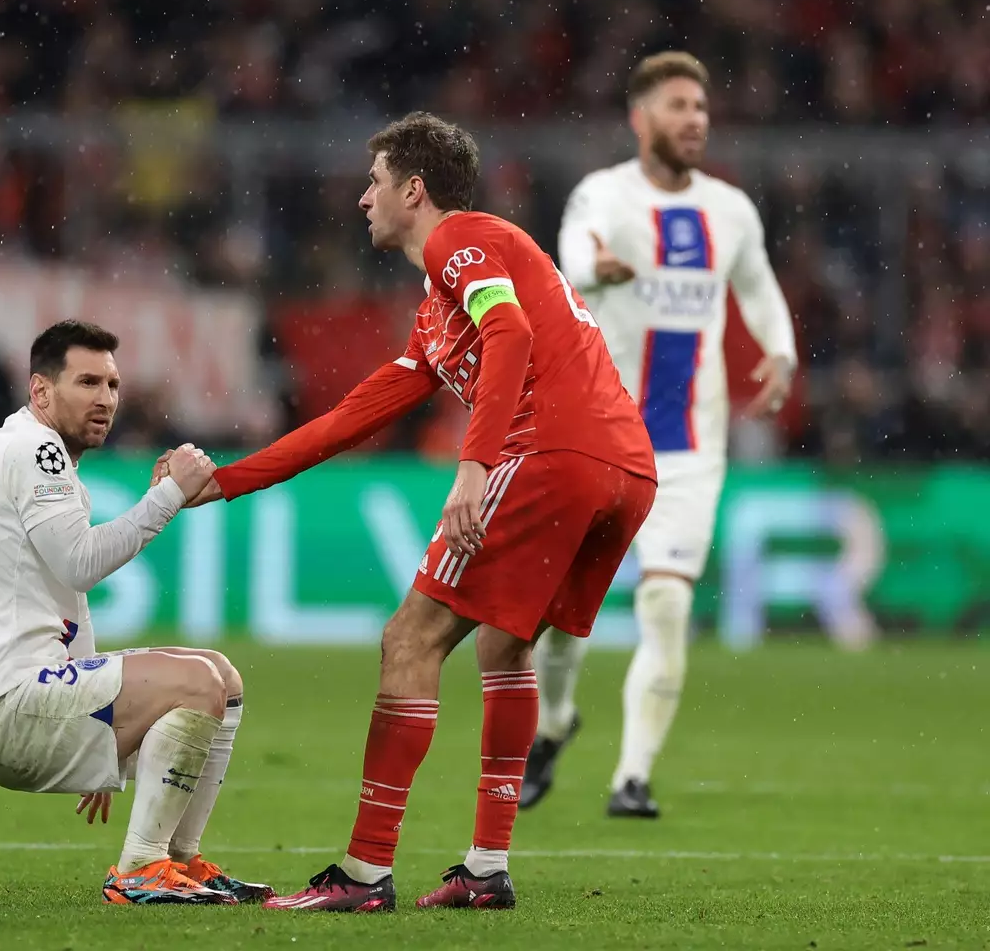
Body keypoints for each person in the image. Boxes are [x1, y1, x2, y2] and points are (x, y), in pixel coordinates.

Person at [159, 113, 657, 911]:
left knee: (409, 639)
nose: (363, 199)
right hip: (623, 467)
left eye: (376, 182)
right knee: (503, 646)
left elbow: (512, 332)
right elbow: (347, 420)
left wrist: (473, 466)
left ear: (413, 190)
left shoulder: (462, 241)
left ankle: (362, 873)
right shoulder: (436, 309)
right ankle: (486, 869)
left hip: (550, 456)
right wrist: (226, 482)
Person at [525, 52, 799, 819]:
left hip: (687, 448)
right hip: (602, 440)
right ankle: (554, 721)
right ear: (641, 119)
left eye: (702, 108)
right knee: (560, 619)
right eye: (678, 106)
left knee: (668, 604)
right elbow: (572, 252)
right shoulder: (603, 194)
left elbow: (758, 288)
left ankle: (632, 776)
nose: (694, 120)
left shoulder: (731, 210)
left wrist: (780, 350)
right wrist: (596, 269)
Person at [0, 319, 273, 905]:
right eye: (87, 382)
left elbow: (66, 597)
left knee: (224, 677)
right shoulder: (36, 450)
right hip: (6, 707)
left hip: (18, 698)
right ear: (41, 391)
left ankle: (177, 861)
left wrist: (102, 719)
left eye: (113, 385)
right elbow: (80, 564)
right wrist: (168, 497)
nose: (106, 399)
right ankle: (140, 868)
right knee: (197, 683)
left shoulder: (25, 451)